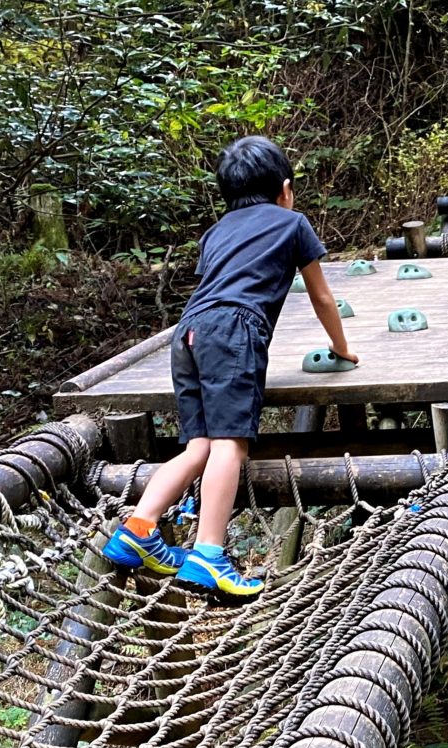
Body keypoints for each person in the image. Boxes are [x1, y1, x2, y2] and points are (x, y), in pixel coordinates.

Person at [101, 136, 357, 599]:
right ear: (285, 188)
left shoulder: (215, 231)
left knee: (198, 444)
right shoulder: (292, 223)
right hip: (234, 332)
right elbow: (320, 295)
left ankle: (138, 528)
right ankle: (209, 555)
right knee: (229, 447)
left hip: (189, 332)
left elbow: (216, 286)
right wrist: (343, 347)